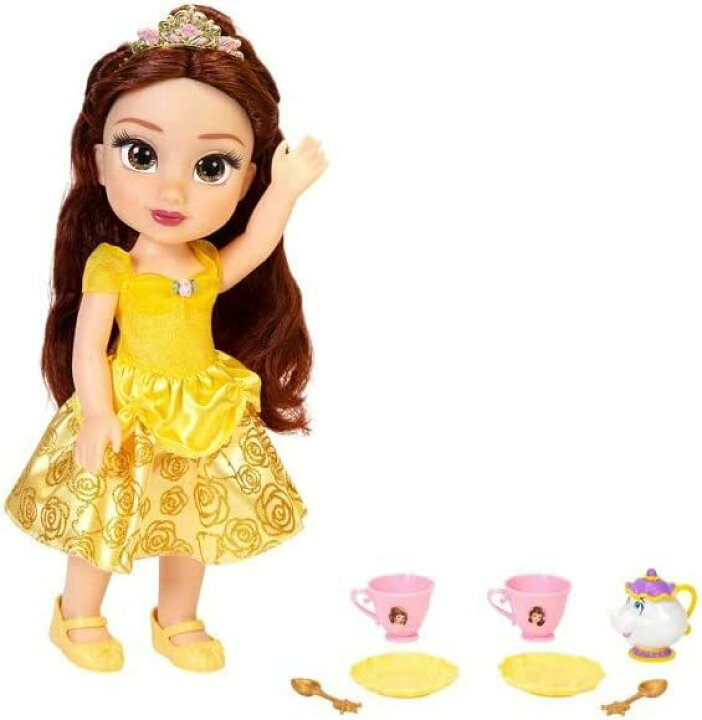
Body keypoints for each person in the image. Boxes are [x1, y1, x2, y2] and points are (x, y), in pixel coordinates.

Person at [4, 3, 327, 672]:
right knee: (105, 513)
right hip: (130, 408)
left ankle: (176, 617)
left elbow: (257, 243)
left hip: (202, 407)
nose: (172, 191)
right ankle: (78, 614)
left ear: (247, 177)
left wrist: (289, 189)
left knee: (192, 518)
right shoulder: (113, 265)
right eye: (141, 155)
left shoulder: (205, 263)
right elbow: (88, 347)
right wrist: (98, 412)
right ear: (100, 161)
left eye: (212, 166)